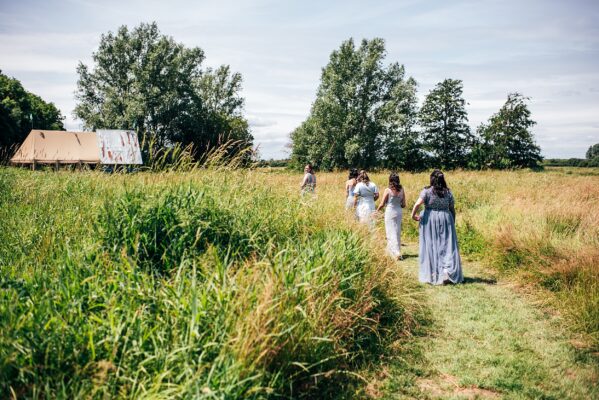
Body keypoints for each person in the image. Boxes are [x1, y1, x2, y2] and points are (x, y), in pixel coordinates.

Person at [411, 170, 463, 285]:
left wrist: (413, 215)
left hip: (430, 219)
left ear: (432, 179)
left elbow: (418, 204)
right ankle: (446, 272)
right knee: (447, 246)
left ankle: (434, 273)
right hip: (446, 218)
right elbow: (452, 208)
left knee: (431, 245)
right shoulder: (448, 192)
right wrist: (452, 222)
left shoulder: (427, 191)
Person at [376, 173, 406, 260]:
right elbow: (404, 204)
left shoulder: (388, 190)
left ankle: (396, 252)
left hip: (390, 212)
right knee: (397, 231)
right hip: (399, 212)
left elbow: (382, 204)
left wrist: (377, 211)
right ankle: (392, 251)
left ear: (390, 180)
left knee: (390, 231)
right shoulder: (402, 189)